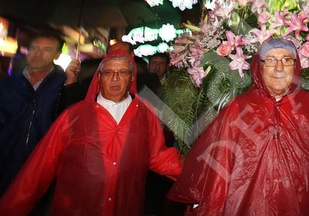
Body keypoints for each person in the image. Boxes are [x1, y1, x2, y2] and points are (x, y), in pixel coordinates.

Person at [167, 38, 309, 215]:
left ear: (295, 67)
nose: (279, 68)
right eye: (271, 60)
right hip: (248, 206)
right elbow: (217, 166)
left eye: (287, 60)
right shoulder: (239, 108)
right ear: (260, 66)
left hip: (301, 205)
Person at [0, 50, 183, 215]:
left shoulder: (145, 113)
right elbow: (39, 167)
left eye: (122, 72)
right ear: (99, 77)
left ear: (132, 77)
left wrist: (202, 172)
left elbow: (158, 156)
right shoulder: (74, 116)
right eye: (109, 72)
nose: (115, 78)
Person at [0, 32, 81, 196]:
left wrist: (71, 85)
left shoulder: (64, 85)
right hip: (4, 163)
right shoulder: (7, 84)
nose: (38, 54)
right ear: (27, 50)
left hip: (40, 169)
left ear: (57, 54)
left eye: (47, 50)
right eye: (35, 48)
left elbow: (71, 124)